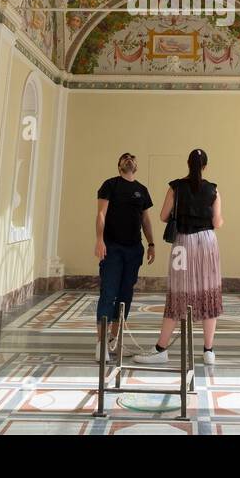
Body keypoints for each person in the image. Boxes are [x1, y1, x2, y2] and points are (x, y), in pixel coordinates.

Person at [134, 149, 224, 366]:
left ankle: (161, 349)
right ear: (205, 166)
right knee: (209, 292)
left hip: (182, 243)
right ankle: (208, 351)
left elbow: (164, 216)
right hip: (207, 243)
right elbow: (217, 222)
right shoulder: (213, 190)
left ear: (187, 163)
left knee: (177, 292)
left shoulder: (176, 187)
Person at [94, 153, 155, 359]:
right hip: (112, 248)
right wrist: (99, 240)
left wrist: (151, 244)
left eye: (132, 158)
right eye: (125, 158)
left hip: (134, 249)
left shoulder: (142, 190)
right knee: (108, 294)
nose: (129, 159)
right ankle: (101, 344)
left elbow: (146, 220)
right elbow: (101, 213)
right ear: (119, 165)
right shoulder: (110, 185)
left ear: (135, 166)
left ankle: (114, 339)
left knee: (125, 295)